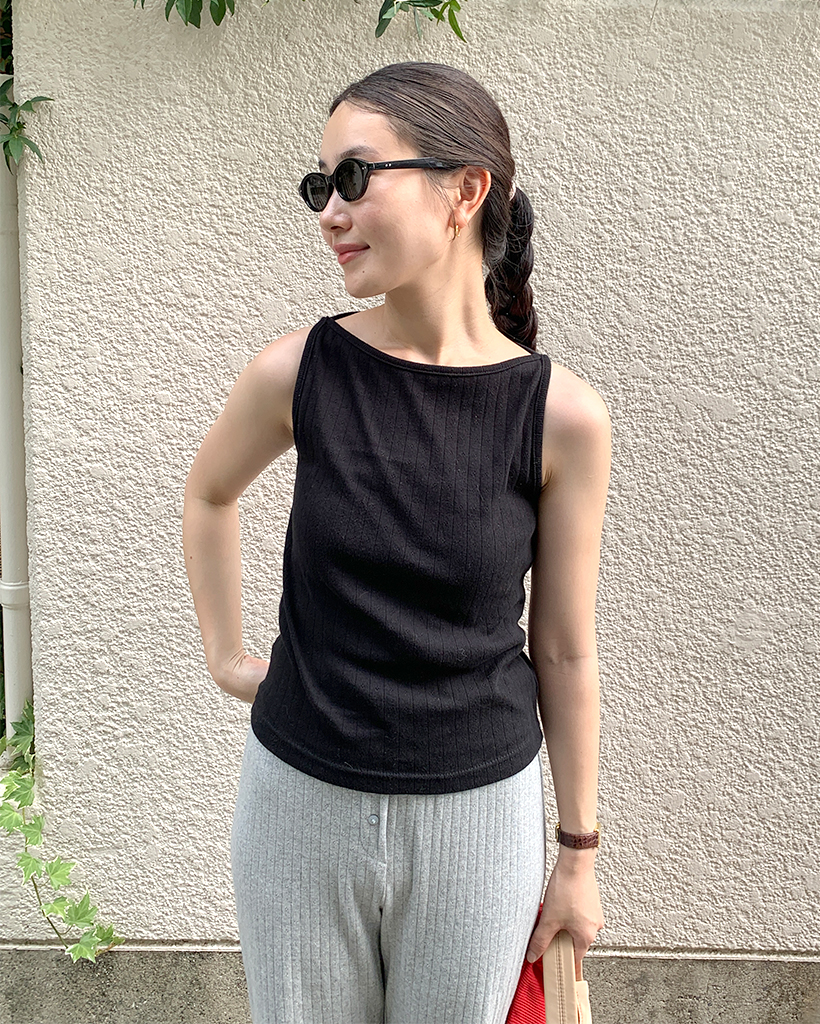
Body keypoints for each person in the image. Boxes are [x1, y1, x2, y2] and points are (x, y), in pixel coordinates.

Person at [183, 61, 609, 1024]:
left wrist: (578, 855)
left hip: (479, 817)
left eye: (355, 177)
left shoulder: (562, 416)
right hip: (297, 801)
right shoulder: (298, 371)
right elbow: (209, 494)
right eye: (320, 185)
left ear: (466, 190)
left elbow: (564, 648)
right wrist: (227, 658)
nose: (330, 213)